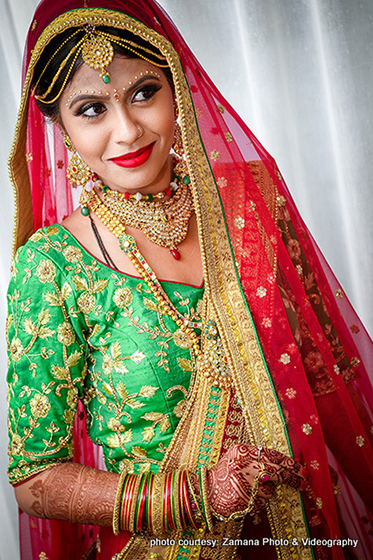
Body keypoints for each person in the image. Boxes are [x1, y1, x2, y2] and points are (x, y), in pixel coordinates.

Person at [6, 0, 373, 559]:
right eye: (90, 109)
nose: (126, 131)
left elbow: (331, 382)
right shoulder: (52, 265)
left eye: (143, 93)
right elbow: (36, 479)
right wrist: (194, 494)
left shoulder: (252, 203)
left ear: (176, 86)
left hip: (308, 534)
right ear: (57, 126)